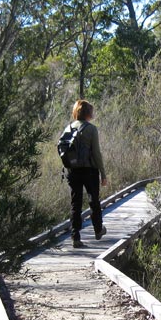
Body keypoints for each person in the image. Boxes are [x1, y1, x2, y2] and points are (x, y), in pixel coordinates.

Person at [65, 99, 107, 248]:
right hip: (89, 170)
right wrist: (103, 173)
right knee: (93, 200)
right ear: (88, 113)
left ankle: (75, 237)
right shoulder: (91, 129)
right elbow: (96, 153)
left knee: (75, 204)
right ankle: (98, 230)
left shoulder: (68, 128)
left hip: (72, 171)